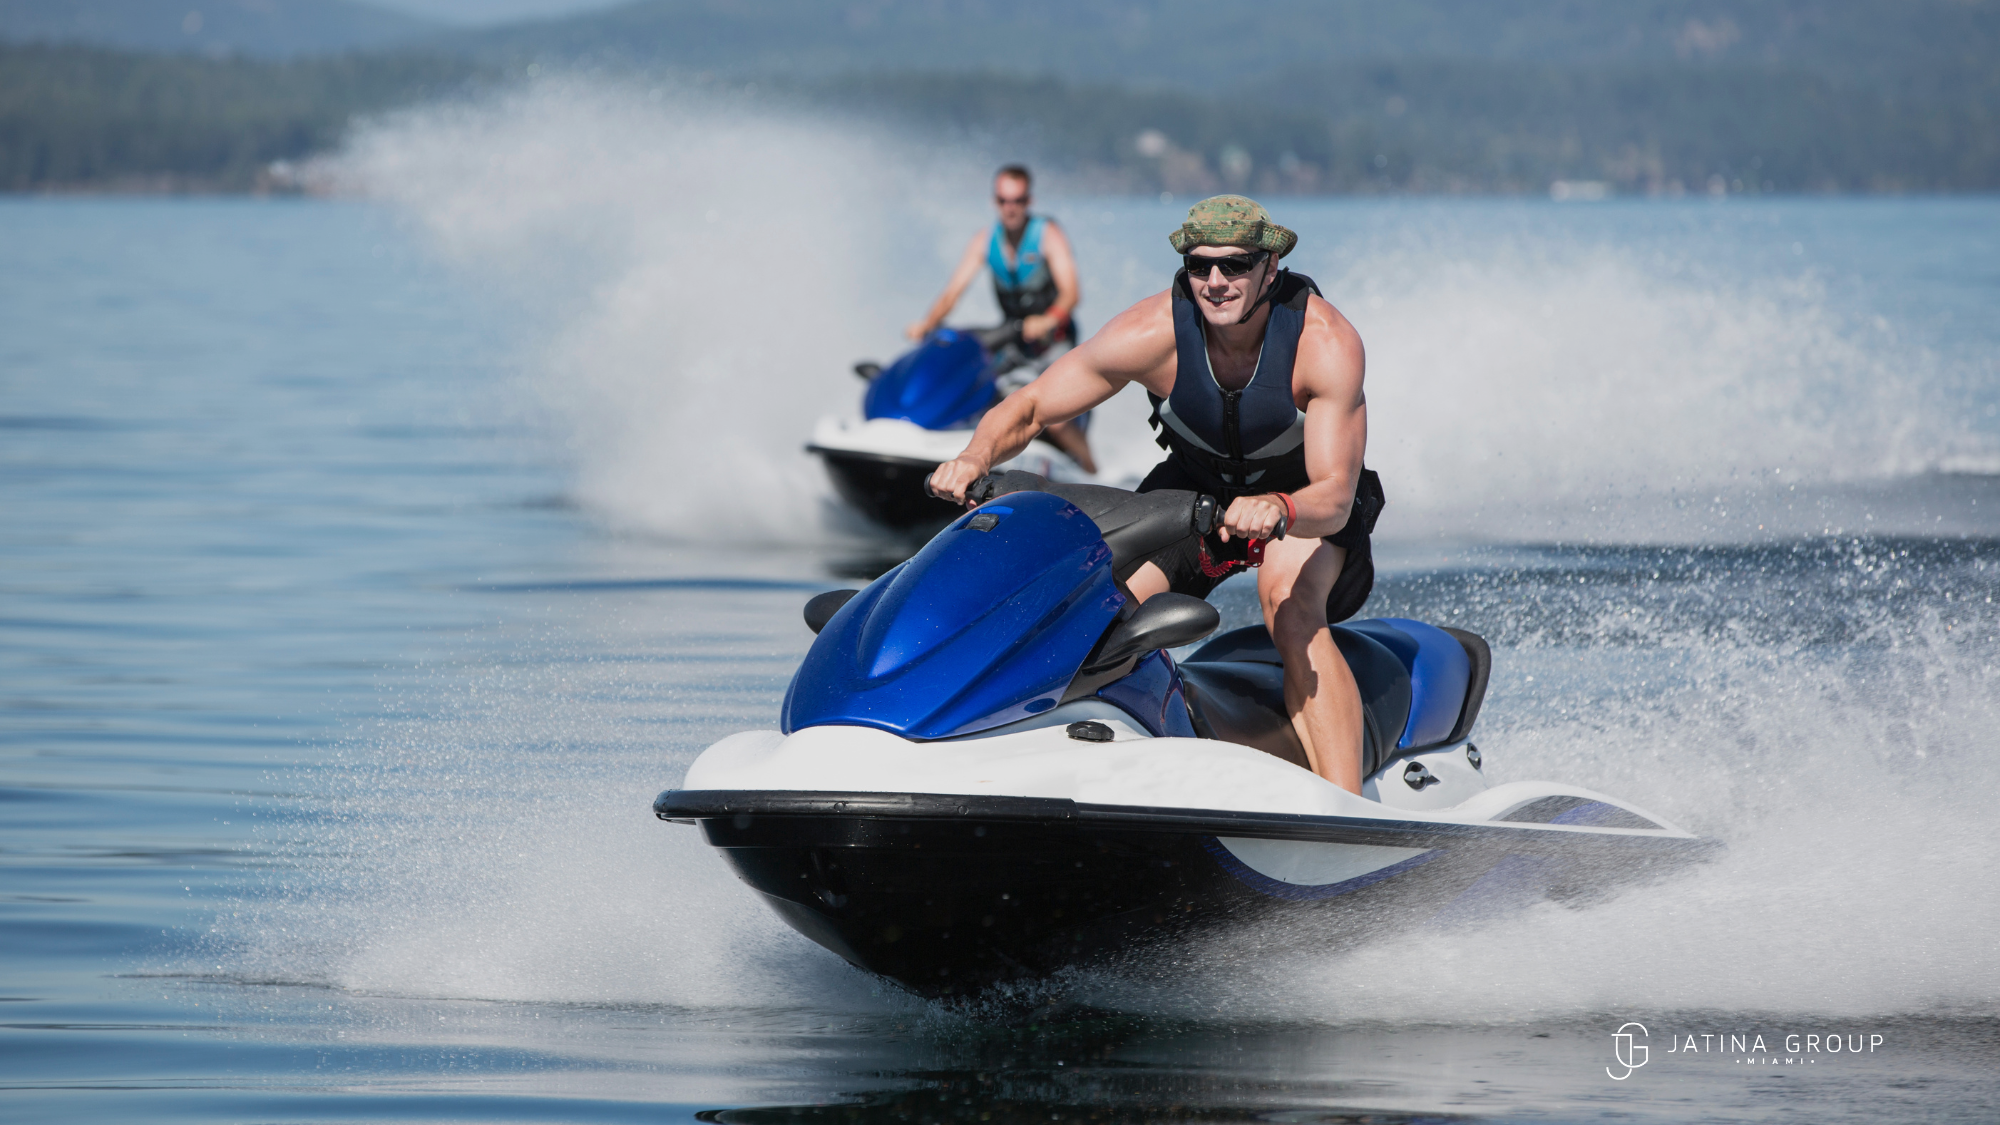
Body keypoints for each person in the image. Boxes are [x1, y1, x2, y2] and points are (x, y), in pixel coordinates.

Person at [927, 195, 1384, 794]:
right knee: (1103, 615)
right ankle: (1093, 770)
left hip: (1299, 502)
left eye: (1236, 265)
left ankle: (1346, 810)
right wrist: (974, 455)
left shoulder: (1324, 343)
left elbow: (1336, 494)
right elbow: (1033, 405)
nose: (1216, 282)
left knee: (1291, 610)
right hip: (1196, 491)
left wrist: (1280, 507)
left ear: (1271, 268)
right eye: (1200, 267)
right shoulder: (1152, 332)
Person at [906, 164, 1096, 473]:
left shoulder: (1047, 234)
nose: (1010, 208)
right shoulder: (985, 240)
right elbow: (952, 293)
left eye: (1018, 201)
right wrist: (927, 325)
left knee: (1057, 420)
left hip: (1055, 344)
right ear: (995, 202)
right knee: (974, 387)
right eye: (1003, 201)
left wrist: (1048, 319)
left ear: (1028, 201)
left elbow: (1072, 293)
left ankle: (1092, 470)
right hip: (1013, 341)